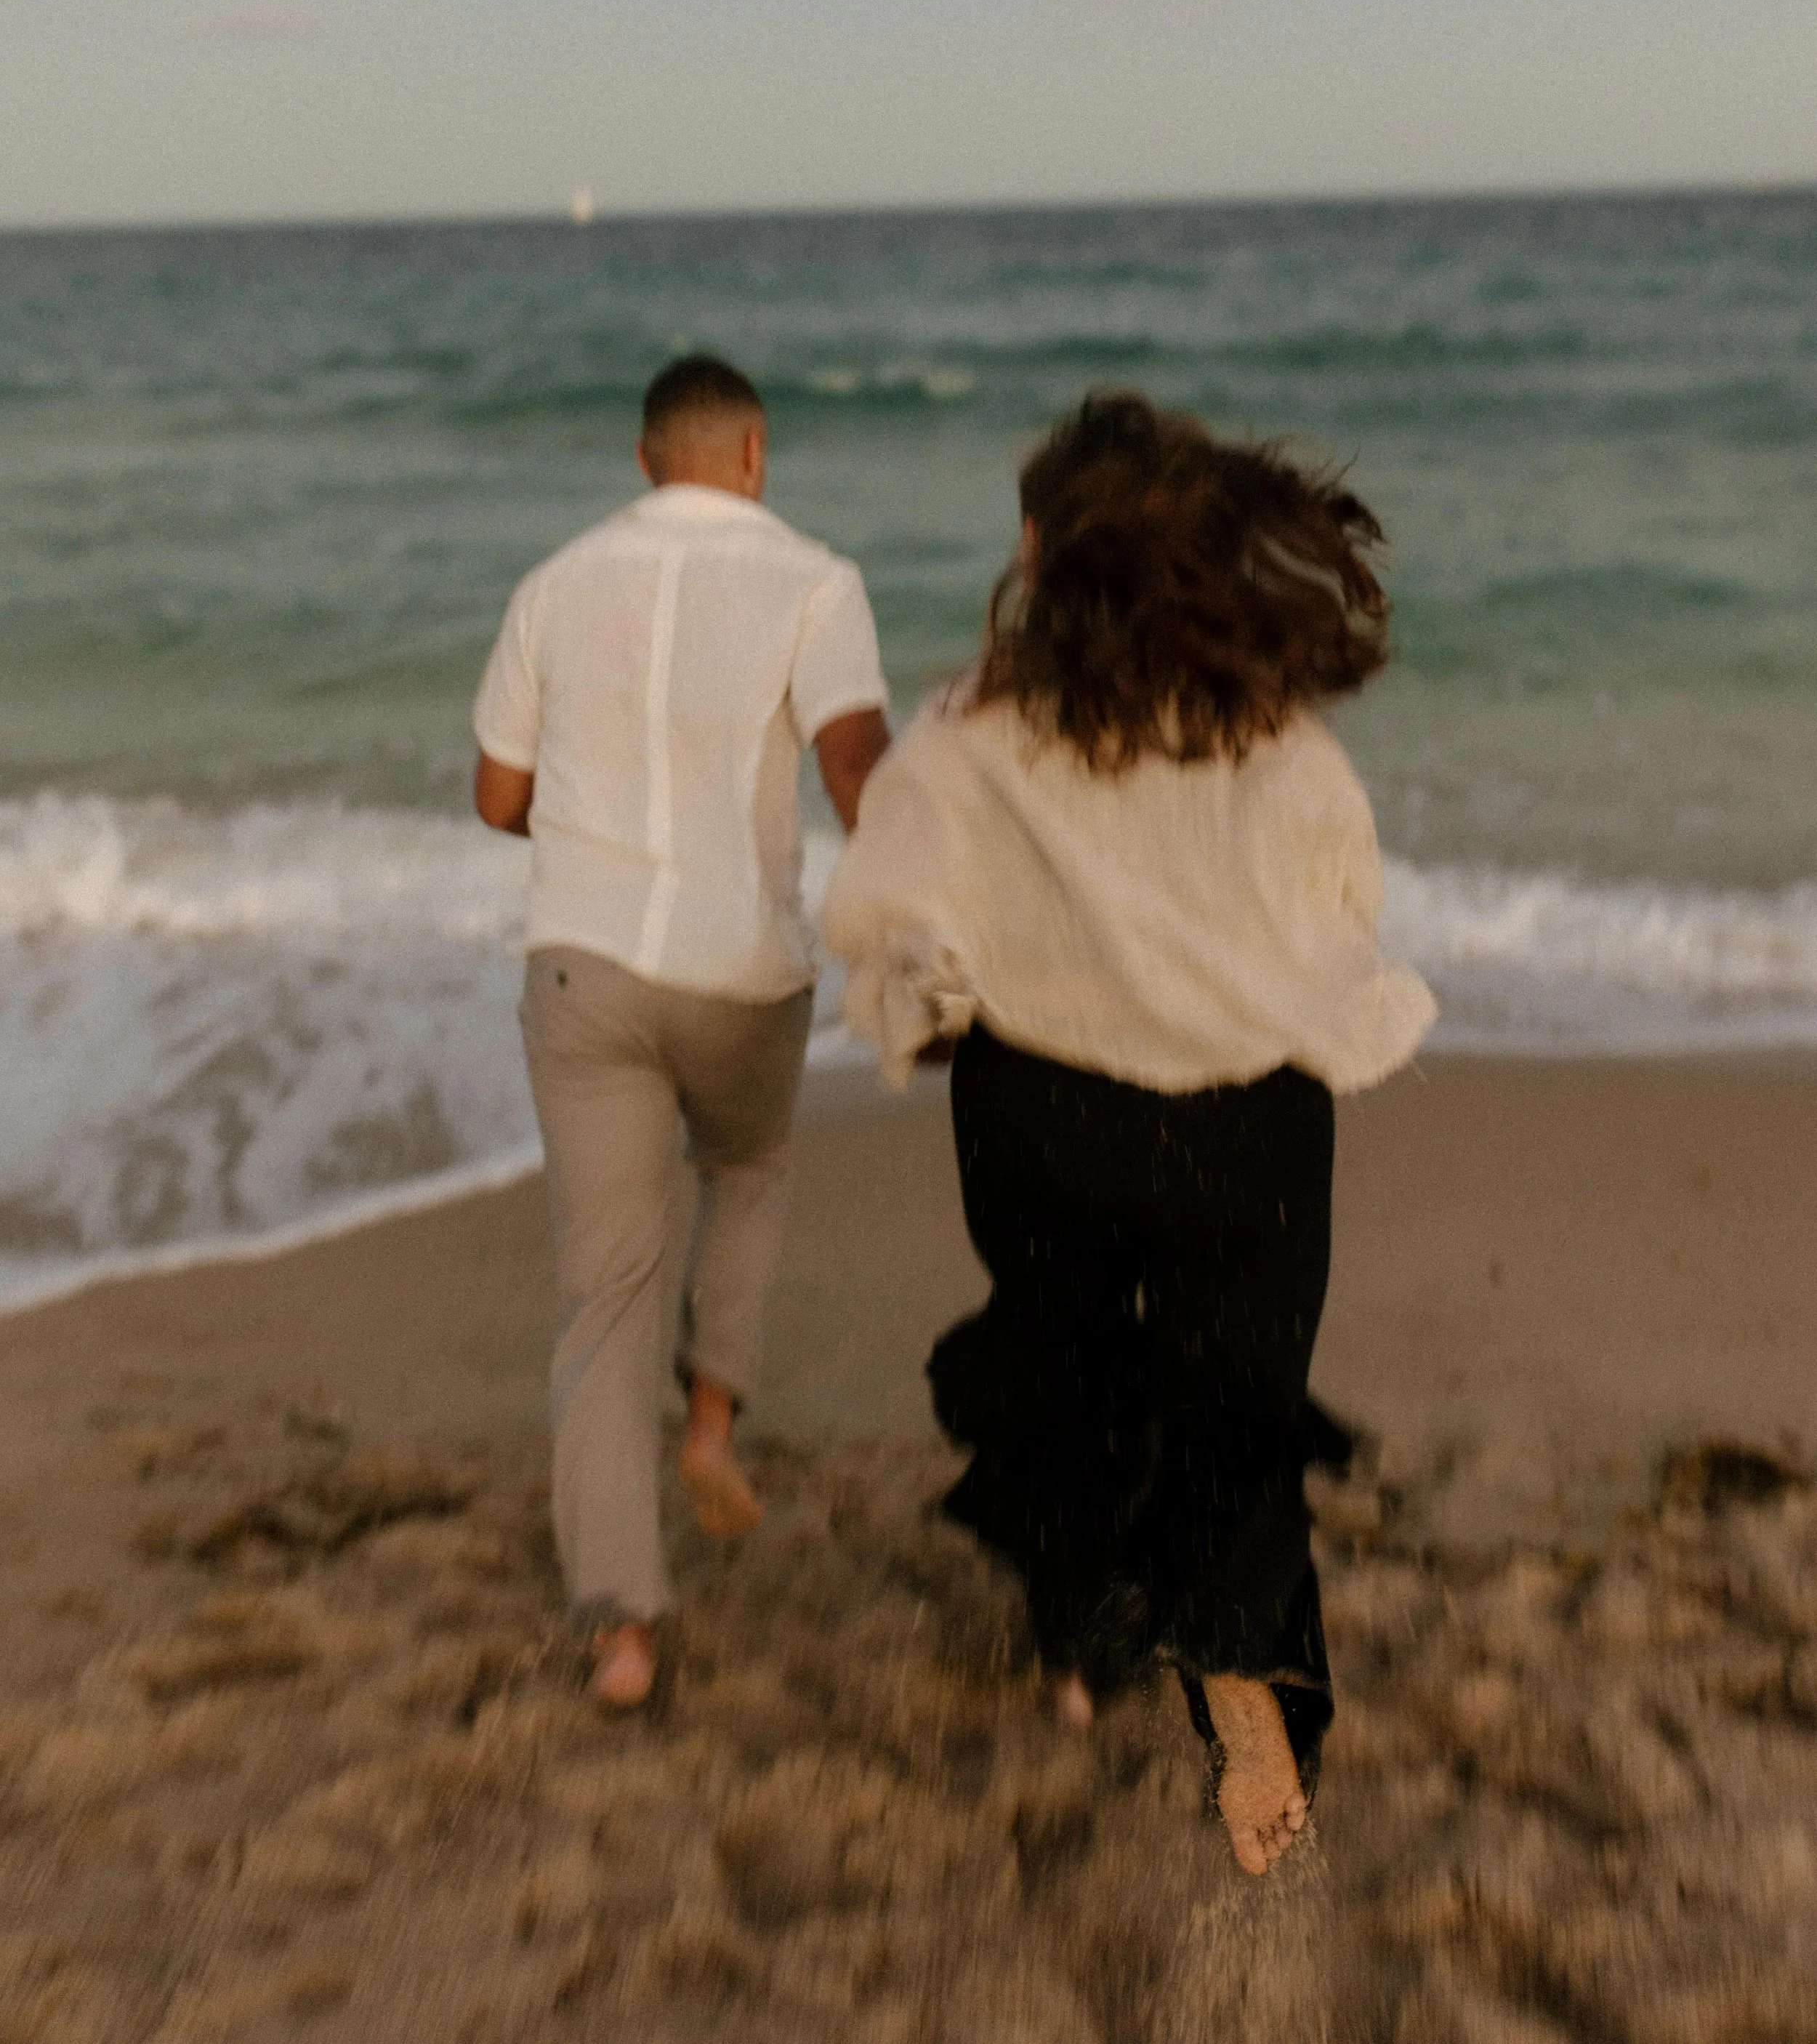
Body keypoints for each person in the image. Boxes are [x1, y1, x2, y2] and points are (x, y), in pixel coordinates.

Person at [822, 392, 1434, 1876]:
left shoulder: (974, 730)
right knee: (1237, 1410)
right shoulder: (1271, 730)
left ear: (1042, 556)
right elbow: (1338, 908)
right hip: (1247, 1129)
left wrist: (942, 1007)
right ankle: (1238, 1690)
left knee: (1069, 1366)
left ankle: (1081, 1657)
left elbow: (894, 912)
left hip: (1046, 1114)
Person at [473, 353, 890, 1709]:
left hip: (585, 970)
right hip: (740, 974)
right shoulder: (817, 583)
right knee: (749, 1172)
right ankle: (710, 1421)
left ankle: (622, 1633)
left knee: (602, 1296)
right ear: (756, 455)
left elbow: (496, 794)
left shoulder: (553, 584)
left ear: (645, 461)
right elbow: (851, 772)